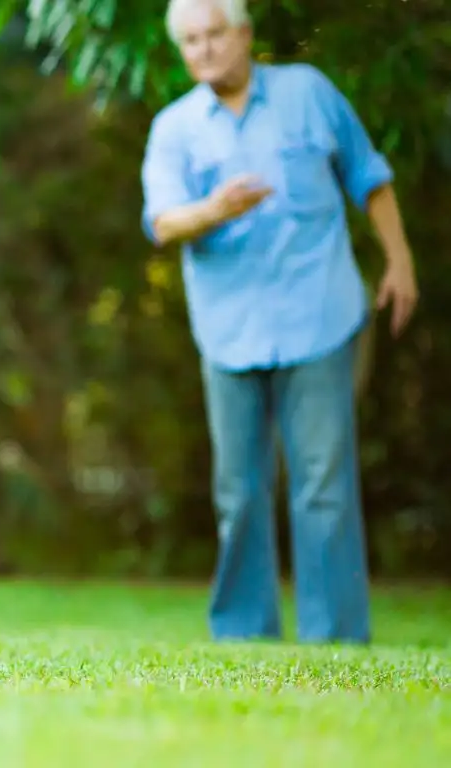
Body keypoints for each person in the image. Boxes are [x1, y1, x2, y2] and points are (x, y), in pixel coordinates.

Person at [140, 0, 419, 644]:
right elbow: (164, 222)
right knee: (238, 492)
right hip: (228, 330)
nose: (204, 50)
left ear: (243, 34)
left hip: (320, 314)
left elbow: (370, 177)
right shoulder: (174, 129)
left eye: (214, 34)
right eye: (190, 40)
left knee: (323, 484)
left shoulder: (308, 93)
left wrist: (399, 261)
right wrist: (213, 209)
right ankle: (243, 633)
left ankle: (337, 637)